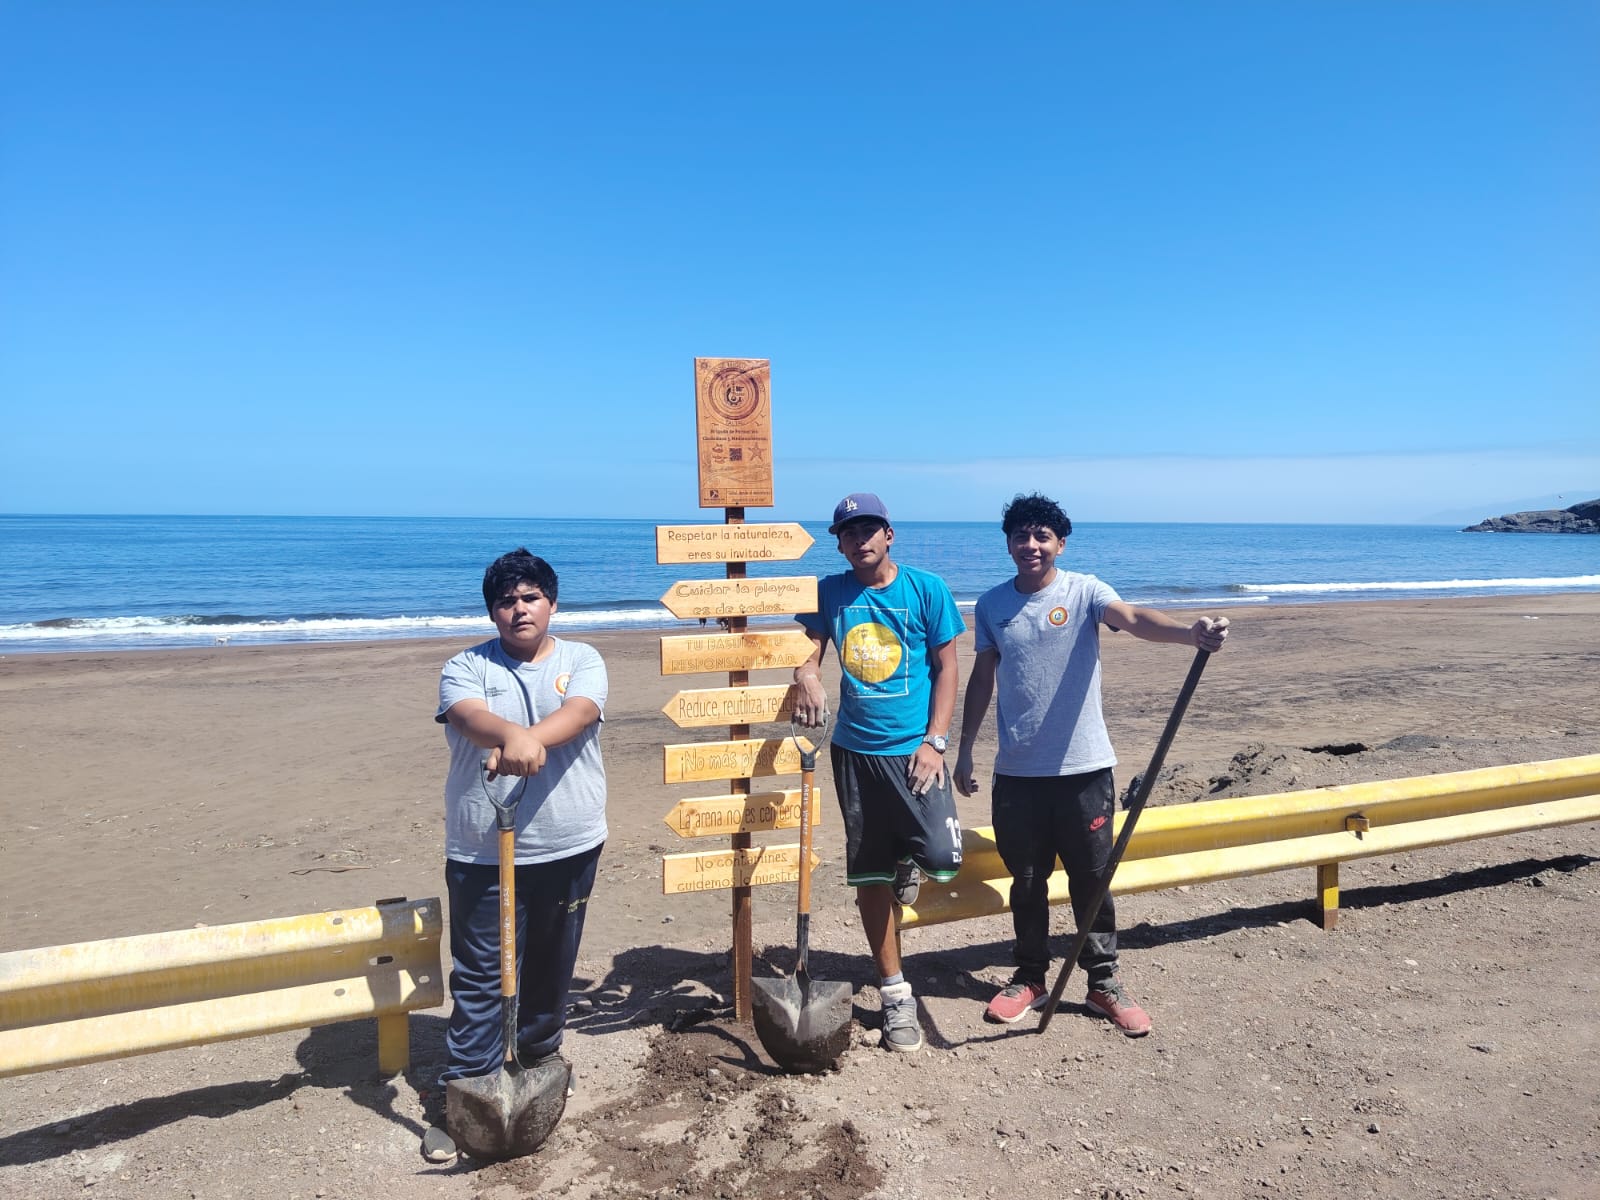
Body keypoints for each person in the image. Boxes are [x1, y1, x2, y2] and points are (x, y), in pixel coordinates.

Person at [953, 494, 1228, 1036]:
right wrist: (964, 749)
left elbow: (1132, 617)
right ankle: (1030, 977)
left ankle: (1103, 982)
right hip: (1018, 774)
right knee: (1026, 882)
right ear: (1007, 542)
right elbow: (982, 678)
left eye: (1041, 536)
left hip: (1084, 770)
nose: (1030, 545)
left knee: (1092, 879)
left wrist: (1186, 634)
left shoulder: (1084, 591)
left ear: (1060, 542)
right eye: (1020, 536)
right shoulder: (990, 606)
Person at [422, 549, 608, 1162]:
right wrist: (509, 736)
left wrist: (529, 739)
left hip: (568, 840)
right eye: (506, 600)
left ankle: (540, 1060)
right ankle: (464, 1094)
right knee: (479, 974)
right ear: (493, 611)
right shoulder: (465, 665)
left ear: (550, 604)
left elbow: (580, 713)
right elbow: (468, 716)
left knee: (553, 962)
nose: (518, 609)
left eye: (530, 597)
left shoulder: (583, 659)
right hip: (482, 847)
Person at [792, 492, 966, 1053]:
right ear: (838, 542)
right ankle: (895, 994)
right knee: (869, 875)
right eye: (848, 532)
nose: (859, 539)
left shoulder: (926, 589)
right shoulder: (830, 592)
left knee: (942, 857)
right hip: (855, 753)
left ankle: (904, 866)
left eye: (870, 529)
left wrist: (936, 742)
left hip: (917, 751)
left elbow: (947, 668)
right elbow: (809, 647)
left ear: (889, 534)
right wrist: (807, 673)